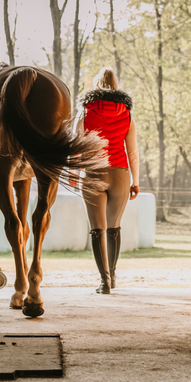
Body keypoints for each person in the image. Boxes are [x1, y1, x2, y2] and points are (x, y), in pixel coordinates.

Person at [75, 67, 139, 295]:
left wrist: (74, 173)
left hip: (93, 172)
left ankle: (104, 282)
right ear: (116, 84)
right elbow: (132, 152)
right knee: (113, 227)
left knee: (97, 228)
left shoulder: (85, 111)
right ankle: (112, 276)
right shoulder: (127, 114)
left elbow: (75, 145)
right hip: (120, 173)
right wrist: (136, 181)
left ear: (96, 85)